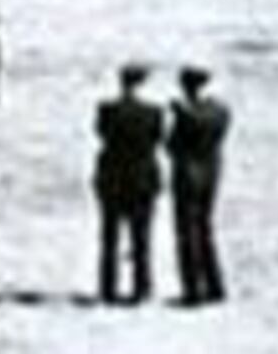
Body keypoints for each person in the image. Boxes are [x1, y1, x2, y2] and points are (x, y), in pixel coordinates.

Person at [92, 63, 166, 306]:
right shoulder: (153, 112)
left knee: (109, 237)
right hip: (142, 177)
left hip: (113, 176)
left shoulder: (107, 110)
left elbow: (100, 134)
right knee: (141, 237)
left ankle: (108, 287)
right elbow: (157, 139)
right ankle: (141, 287)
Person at [167, 65, 231, 306]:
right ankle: (214, 284)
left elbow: (172, 144)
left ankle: (192, 287)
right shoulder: (219, 111)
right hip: (212, 173)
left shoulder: (186, 114)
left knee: (187, 233)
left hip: (187, 174)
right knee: (205, 229)